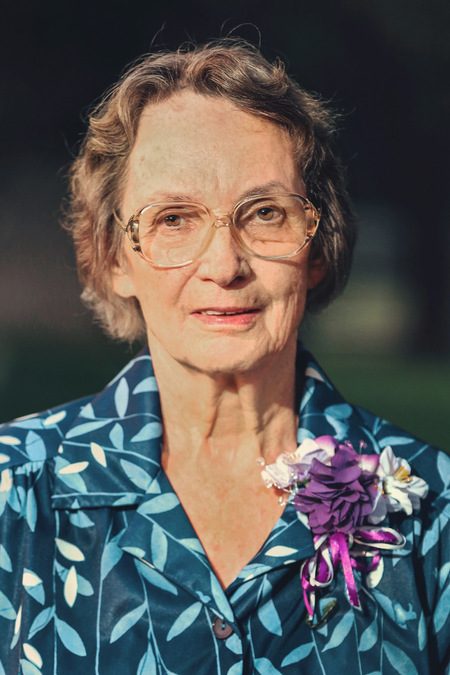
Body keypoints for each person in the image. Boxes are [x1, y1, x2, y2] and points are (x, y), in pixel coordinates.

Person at [0, 39, 448, 675]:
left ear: (318, 250)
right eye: (173, 219)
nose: (224, 265)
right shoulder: (12, 492)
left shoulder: (433, 511)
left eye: (264, 213)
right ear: (113, 257)